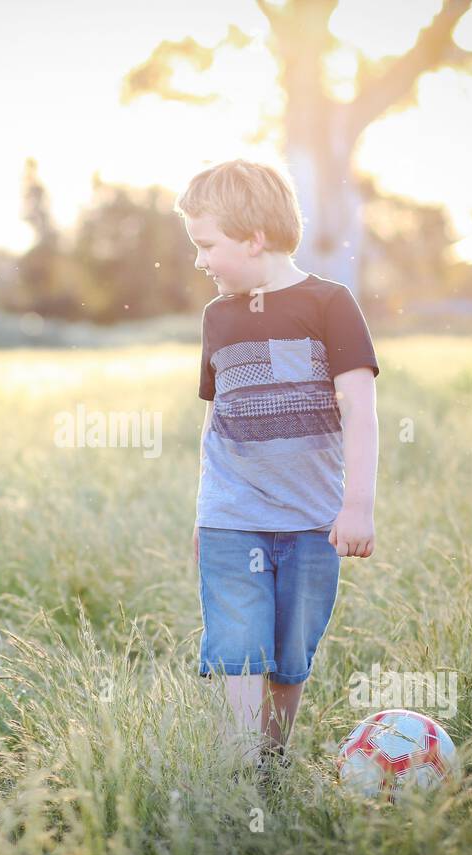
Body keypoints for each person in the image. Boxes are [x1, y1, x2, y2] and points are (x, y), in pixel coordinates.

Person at [176, 159, 380, 773]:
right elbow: (216, 424)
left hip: (312, 522)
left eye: (207, 244)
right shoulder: (218, 317)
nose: (199, 260)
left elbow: (362, 411)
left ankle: (271, 763)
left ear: (254, 237)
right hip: (232, 517)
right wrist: (202, 511)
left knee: (290, 656)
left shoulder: (329, 304)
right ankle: (243, 766)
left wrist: (357, 506)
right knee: (240, 647)